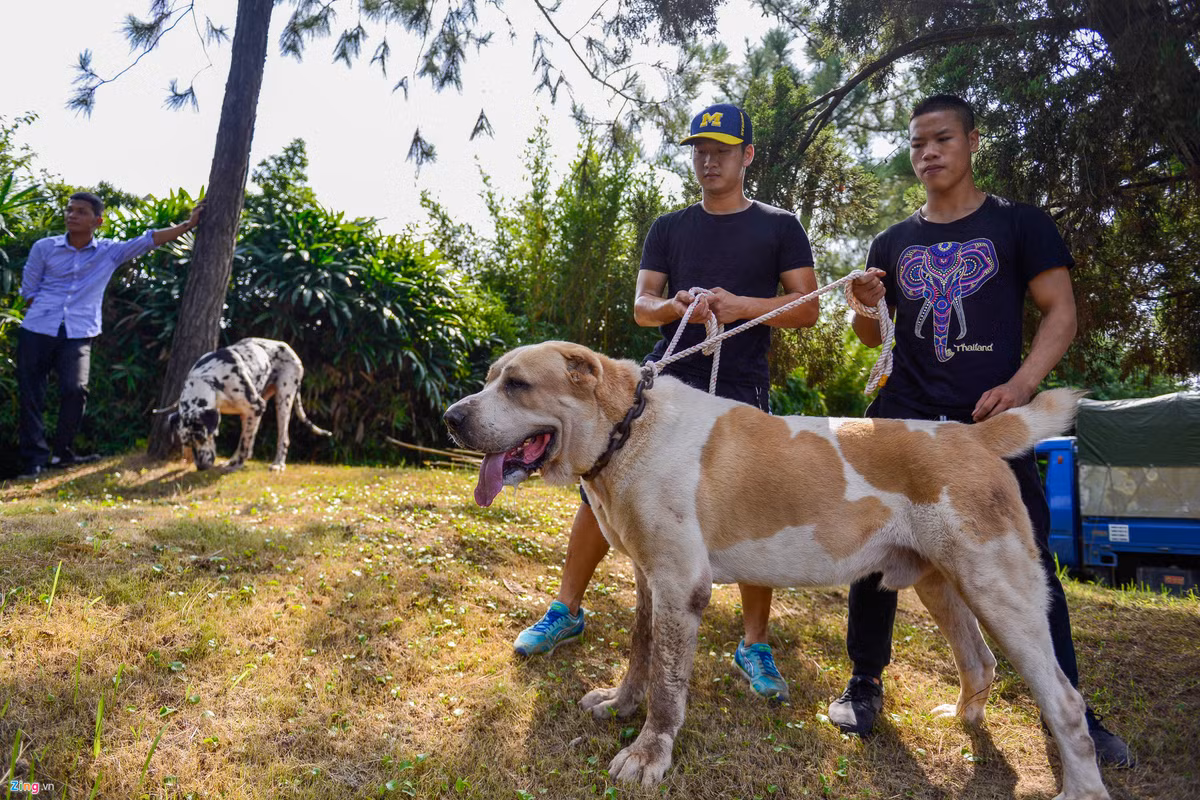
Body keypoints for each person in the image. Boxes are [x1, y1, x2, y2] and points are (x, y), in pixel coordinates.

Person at [832, 94, 1133, 766]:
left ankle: (1074, 706)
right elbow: (867, 336)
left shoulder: (1020, 224)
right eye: (916, 144)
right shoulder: (891, 242)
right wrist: (866, 307)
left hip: (987, 426)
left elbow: (1061, 313)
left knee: (1027, 565)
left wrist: (1022, 386)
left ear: (972, 141)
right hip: (901, 419)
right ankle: (864, 682)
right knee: (871, 554)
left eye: (941, 139)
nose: (928, 153)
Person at [512, 103, 820, 702]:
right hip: (665, 385)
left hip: (741, 385)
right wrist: (678, 308)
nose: (708, 160)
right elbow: (642, 306)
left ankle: (754, 644)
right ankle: (565, 609)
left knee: (750, 503)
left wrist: (739, 307)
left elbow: (807, 307)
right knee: (601, 486)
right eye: (700, 150)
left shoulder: (779, 226)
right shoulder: (669, 227)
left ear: (747, 156)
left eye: (722, 150)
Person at [17, 191, 205, 479]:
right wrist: (45, 312)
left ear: (97, 220)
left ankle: (62, 454)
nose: (72, 215)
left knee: (75, 389)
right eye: (69, 210)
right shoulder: (44, 247)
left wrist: (188, 225)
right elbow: (29, 289)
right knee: (32, 395)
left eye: (80, 211)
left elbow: (148, 240)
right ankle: (34, 461)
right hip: (37, 330)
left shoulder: (109, 252)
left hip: (79, 333)